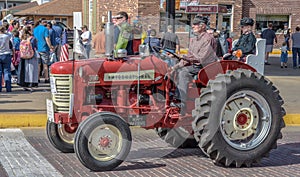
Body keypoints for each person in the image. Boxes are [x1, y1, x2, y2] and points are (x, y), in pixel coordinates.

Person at [170, 16, 217, 115]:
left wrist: (184, 58)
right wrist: (174, 67)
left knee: (183, 72)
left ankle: (181, 102)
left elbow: (201, 58)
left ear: (203, 26)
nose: (193, 26)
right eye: (193, 24)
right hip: (195, 65)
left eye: (195, 24)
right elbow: (189, 57)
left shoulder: (208, 39)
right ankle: (170, 97)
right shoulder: (194, 40)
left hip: (205, 67)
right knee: (174, 70)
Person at [18, 26, 38, 91]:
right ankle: (30, 84)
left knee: (25, 70)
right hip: (31, 55)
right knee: (31, 70)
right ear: (29, 31)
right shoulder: (33, 38)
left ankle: (24, 84)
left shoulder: (22, 38)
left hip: (23, 56)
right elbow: (35, 47)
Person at [0, 25, 13, 92]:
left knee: (0, 72)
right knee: (7, 71)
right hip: (6, 54)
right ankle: (8, 87)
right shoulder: (7, 36)